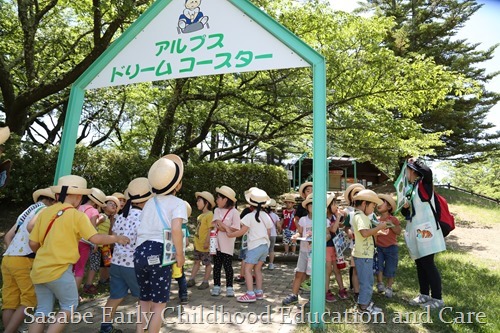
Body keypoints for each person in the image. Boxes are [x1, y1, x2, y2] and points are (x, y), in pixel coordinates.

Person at [28, 175, 130, 333]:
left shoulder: (45, 213)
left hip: (38, 269)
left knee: (42, 310)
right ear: (77, 196)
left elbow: (33, 243)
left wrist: (44, 256)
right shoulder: (76, 215)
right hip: (59, 270)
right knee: (69, 306)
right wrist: (117, 238)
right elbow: (95, 238)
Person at [134, 154, 187, 333]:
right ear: (177, 185)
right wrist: (180, 255)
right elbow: (176, 229)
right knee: (158, 305)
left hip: (140, 253)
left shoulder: (149, 202)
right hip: (159, 253)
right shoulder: (178, 203)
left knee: (144, 301)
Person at [98, 178, 153, 333]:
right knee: (144, 298)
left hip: (117, 263)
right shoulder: (145, 217)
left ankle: (105, 327)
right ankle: (144, 328)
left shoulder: (122, 216)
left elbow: (113, 236)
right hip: (134, 265)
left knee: (114, 296)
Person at [1, 188, 55, 333]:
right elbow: (35, 232)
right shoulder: (44, 210)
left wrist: (13, 251)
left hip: (8, 259)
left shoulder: (26, 212)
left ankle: (10, 329)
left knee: (10, 301)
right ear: (52, 200)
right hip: (24, 259)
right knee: (29, 300)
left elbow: (7, 236)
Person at [402, 158, 446, 309]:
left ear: (413, 171)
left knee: (427, 262)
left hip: (426, 229)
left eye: (407, 170)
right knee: (420, 262)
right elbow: (405, 212)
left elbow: (428, 173)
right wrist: (405, 207)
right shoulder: (411, 188)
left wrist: (417, 162)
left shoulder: (424, 184)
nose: (406, 174)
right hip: (416, 230)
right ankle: (424, 294)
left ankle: (438, 299)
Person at [282, 193, 330, 307]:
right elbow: (300, 232)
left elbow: (328, 235)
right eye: (310, 205)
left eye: (316, 205)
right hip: (304, 251)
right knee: (299, 273)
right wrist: (295, 236)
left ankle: (314, 298)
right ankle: (294, 295)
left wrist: (319, 240)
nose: (313, 207)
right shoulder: (303, 220)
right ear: (307, 207)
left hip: (316, 253)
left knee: (315, 276)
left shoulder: (324, 220)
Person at [227, 188, 273, 302]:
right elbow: (268, 232)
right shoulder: (266, 216)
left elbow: (242, 231)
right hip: (264, 247)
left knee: (247, 270)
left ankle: (250, 293)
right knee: (257, 270)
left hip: (255, 247)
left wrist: (230, 234)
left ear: (250, 203)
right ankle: (259, 292)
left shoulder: (249, 216)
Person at [351, 189, 387, 315]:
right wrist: (379, 227)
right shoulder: (360, 217)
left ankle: (364, 302)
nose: (373, 209)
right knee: (366, 282)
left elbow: (366, 232)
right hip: (363, 255)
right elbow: (364, 233)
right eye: (372, 206)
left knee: (368, 280)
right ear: (365, 203)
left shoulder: (362, 216)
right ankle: (364, 308)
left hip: (365, 254)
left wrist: (378, 230)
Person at [210, 185, 240, 297]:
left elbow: (236, 228)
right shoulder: (217, 210)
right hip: (216, 242)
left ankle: (229, 287)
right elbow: (216, 222)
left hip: (228, 243)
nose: (216, 200)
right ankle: (216, 286)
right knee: (217, 265)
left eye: (218, 198)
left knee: (228, 265)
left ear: (225, 199)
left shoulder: (235, 212)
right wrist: (227, 228)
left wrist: (223, 227)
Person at [77, 187, 107, 295]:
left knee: (71, 268)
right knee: (80, 269)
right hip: (85, 242)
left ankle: (65, 293)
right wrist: (95, 243)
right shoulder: (94, 211)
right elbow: (92, 228)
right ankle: (74, 295)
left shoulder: (78, 207)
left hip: (74, 241)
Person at [374, 194, 401, 298]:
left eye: (382, 202)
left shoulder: (393, 219)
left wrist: (392, 225)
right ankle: (380, 283)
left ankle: (389, 287)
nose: (379, 204)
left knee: (391, 267)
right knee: (378, 265)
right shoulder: (376, 219)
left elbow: (398, 232)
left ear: (389, 207)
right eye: (378, 202)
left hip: (391, 247)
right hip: (379, 247)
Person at [187, 191, 215, 290]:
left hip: (205, 245)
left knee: (207, 263)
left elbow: (210, 230)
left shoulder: (210, 215)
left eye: (199, 201)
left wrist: (207, 242)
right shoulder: (200, 216)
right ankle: (191, 279)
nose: (197, 203)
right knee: (196, 261)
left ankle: (205, 281)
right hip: (198, 244)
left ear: (206, 203)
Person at [342, 183, 365, 301]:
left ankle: (364, 289)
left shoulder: (369, 212)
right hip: (354, 244)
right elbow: (345, 226)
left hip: (368, 246)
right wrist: (349, 231)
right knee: (354, 266)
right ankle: (355, 290)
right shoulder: (349, 213)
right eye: (355, 194)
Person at [325, 193, 348, 302]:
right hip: (328, 246)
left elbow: (341, 224)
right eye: (334, 204)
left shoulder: (334, 216)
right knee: (328, 270)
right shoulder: (324, 218)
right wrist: (338, 217)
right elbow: (333, 230)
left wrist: (341, 216)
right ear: (328, 206)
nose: (336, 206)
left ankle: (341, 289)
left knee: (337, 268)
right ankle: (326, 291)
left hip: (336, 246)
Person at [265, 199, 279, 270]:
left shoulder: (264, 215)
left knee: (264, 248)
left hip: (265, 234)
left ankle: (261, 263)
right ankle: (271, 264)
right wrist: (279, 230)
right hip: (273, 234)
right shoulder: (275, 216)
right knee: (271, 249)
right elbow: (278, 225)